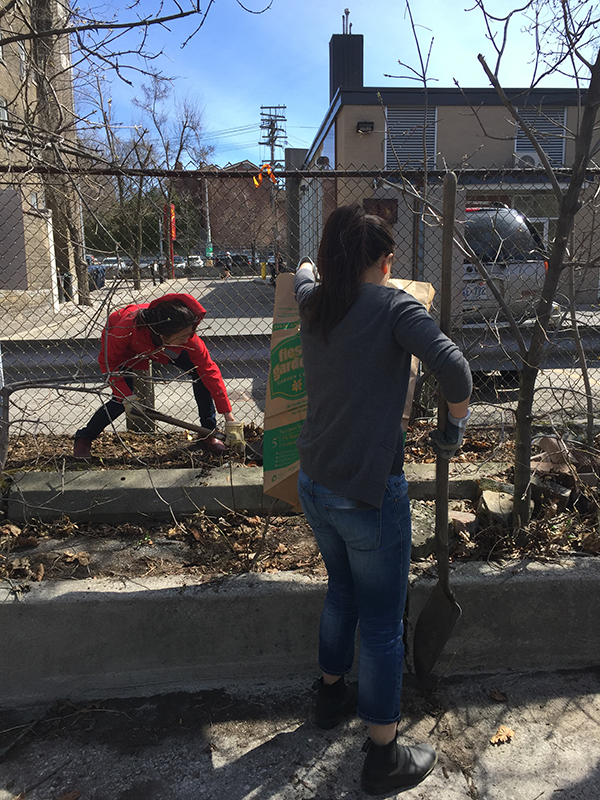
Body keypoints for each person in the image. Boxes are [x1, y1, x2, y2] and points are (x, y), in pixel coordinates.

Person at [294, 204, 472, 796]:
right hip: (369, 493)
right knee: (381, 623)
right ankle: (383, 755)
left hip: (315, 482)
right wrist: (452, 429)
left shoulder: (314, 301)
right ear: (383, 262)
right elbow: (457, 372)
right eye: (390, 259)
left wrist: (308, 268)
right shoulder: (397, 306)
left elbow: (300, 273)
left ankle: (327, 697)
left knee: (341, 590)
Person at [73, 293, 245, 459]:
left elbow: (209, 371)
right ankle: (85, 437)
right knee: (119, 401)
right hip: (127, 350)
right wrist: (127, 396)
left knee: (200, 374)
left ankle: (208, 432)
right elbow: (108, 362)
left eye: (190, 333)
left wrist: (228, 416)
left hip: (162, 346)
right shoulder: (124, 328)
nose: (189, 339)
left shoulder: (186, 337)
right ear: (162, 335)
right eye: (184, 336)